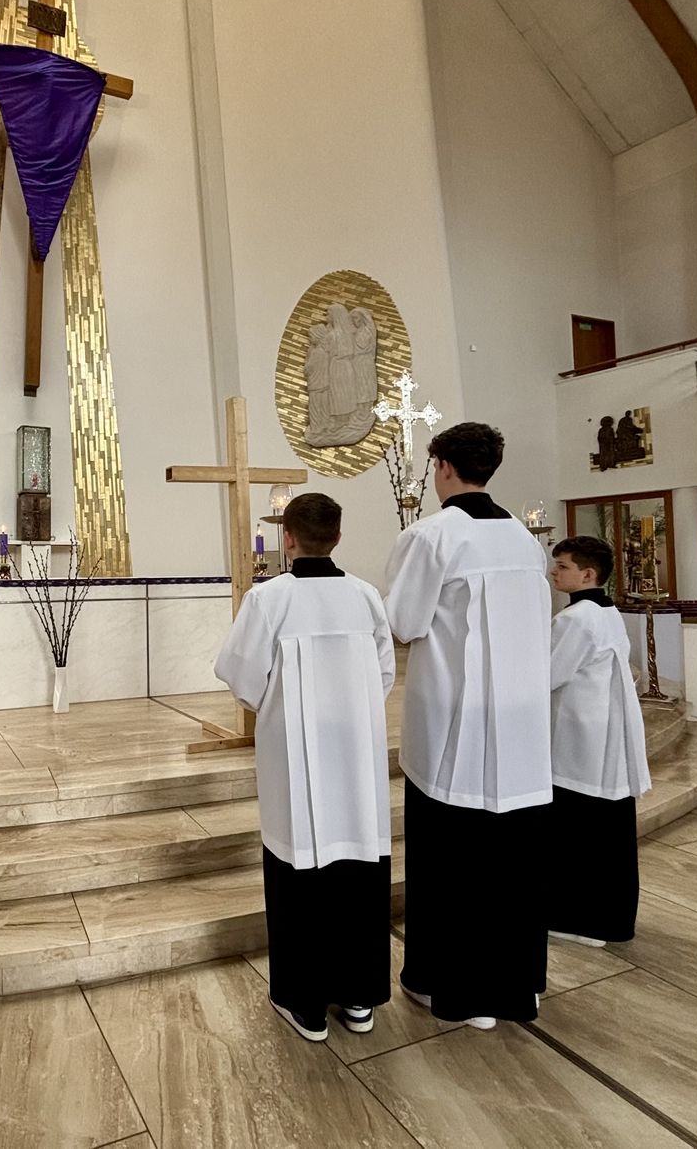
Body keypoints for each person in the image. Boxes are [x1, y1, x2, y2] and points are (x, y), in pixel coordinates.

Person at [383, 422, 552, 1029]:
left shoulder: (432, 536)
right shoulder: (525, 541)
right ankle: (514, 987)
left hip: (456, 725)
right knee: (514, 862)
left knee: (453, 860)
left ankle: (454, 989)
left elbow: (403, 622)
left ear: (444, 467)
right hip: (523, 727)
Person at [214, 492, 396, 1042]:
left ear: (286, 538)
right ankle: (359, 998)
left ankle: (306, 1005)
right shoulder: (365, 596)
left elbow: (241, 676)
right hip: (356, 756)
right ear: (337, 537)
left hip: (293, 755)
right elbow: (384, 673)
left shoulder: (268, 599)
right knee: (357, 865)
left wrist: (281, 710)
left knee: (298, 866)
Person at [546, 536, 650, 947]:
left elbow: (548, 673)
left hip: (582, 739)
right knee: (607, 834)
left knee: (579, 833)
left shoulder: (577, 619)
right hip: (602, 733)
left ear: (588, 574)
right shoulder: (605, 612)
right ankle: (609, 920)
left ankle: (580, 922)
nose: (554, 572)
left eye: (563, 566)